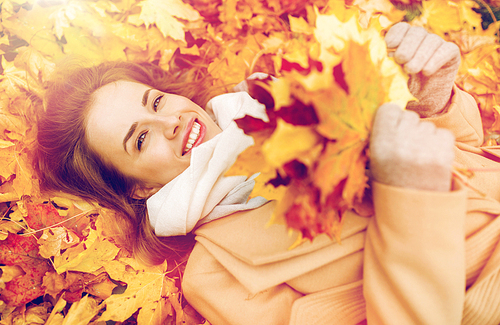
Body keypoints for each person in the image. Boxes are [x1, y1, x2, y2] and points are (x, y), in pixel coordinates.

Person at [34, 22, 500, 324]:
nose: (171, 120)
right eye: (140, 139)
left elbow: (467, 160)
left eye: (155, 102)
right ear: (138, 187)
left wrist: (435, 100)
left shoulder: (290, 97)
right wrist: (410, 201)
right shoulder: (215, 276)